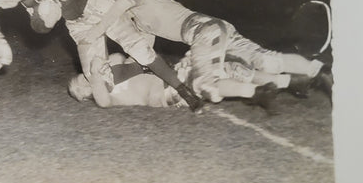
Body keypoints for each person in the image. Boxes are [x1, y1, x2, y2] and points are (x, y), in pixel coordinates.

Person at [0, 0, 204, 112]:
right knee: (97, 70)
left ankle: (181, 88)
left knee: (136, 47)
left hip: (96, 5)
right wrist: (43, 17)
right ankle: (153, 75)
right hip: (78, 24)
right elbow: (39, 26)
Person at [78, 0, 328, 103]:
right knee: (266, 58)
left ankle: (263, 90)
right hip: (215, 27)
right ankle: (314, 71)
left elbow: (124, 2)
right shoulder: (139, 20)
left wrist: (99, 27)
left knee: (205, 84)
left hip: (201, 32)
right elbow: (145, 50)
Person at [68, 53, 280, 113]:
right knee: (203, 82)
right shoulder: (104, 97)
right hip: (165, 94)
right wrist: (96, 74)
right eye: (81, 89)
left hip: (172, 77)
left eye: (82, 79)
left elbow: (122, 57)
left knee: (223, 66)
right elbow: (103, 102)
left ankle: (278, 82)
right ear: (86, 96)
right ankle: (257, 92)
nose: (85, 82)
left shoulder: (113, 70)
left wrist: (103, 67)